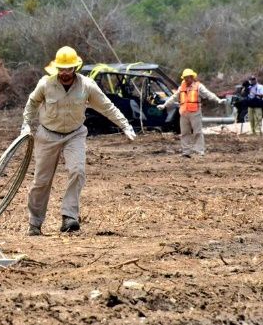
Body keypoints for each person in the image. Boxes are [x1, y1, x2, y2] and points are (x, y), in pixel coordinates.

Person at [21, 46, 136, 235]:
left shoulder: (87, 86)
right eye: (62, 69)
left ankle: (69, 217)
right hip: (47, 134)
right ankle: (35, 223)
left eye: (69, 69)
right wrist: (26, 125)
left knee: (77, 171)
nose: (65, 73)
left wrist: (125, 125)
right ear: (56, 68)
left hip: (74, 134)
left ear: (75, 67)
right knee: (41, 181)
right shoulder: (45, 84)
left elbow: (107, 106)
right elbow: (32, 103)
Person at [157, 68, 226, 156]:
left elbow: (208, 94)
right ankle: (186, 152)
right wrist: (164, 105)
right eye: (185, 78)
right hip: (183, 113)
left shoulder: (198, 86)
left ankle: (199, 151)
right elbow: (174, 97)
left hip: (195, 112)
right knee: (184, 133)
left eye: (188, 77)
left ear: (192, 77)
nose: (186, 79)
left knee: (197, 132)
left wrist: (218, 100)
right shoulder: (181, 87)